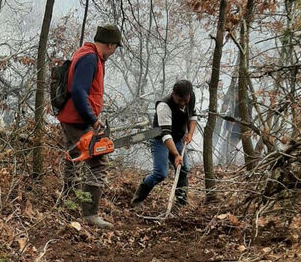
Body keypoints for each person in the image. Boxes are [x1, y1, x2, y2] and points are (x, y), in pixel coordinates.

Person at [57, 23, 122, 229]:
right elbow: (78, 91)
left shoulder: (86, 53)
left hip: (71, 116)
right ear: (111, 45)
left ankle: (66, 205)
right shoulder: (90, 58)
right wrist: (92, 118)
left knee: (73, 158)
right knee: (99, 161)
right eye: (115, 47)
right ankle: (90, 214)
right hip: (79, 119)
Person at [131, 79, 197, 209]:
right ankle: (137, 200)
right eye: (180, 100)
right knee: (160, 173)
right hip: (160, 140)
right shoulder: (164, 106)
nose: (183, 103)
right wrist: (176, 154)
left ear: (189, 95)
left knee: (183, 169)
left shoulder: (191, 97)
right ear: (174, 94)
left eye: (185, 100)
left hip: (177, 139)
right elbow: (166, 135)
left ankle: (181, 203)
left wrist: (190, 134)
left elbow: (193, 116)